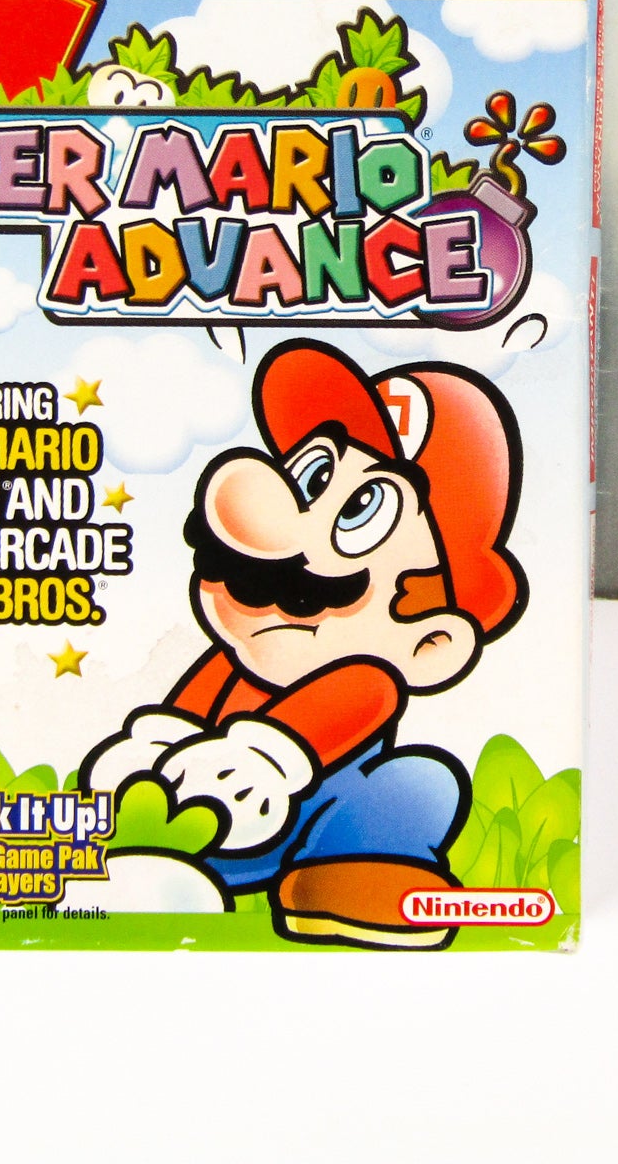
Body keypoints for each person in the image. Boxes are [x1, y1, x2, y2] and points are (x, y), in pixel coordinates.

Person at [75, 339, 525, 950]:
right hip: (207, 816)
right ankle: (151, 871)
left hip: (324, 816)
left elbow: (340, 706)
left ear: (430, 644)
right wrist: (158, 746)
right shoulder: (236, 664)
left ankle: (353, 875)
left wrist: (263, 759)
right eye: (312, 478)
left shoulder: (367, 678)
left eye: (361, 509)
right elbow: (190, 706)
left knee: (420, 783)